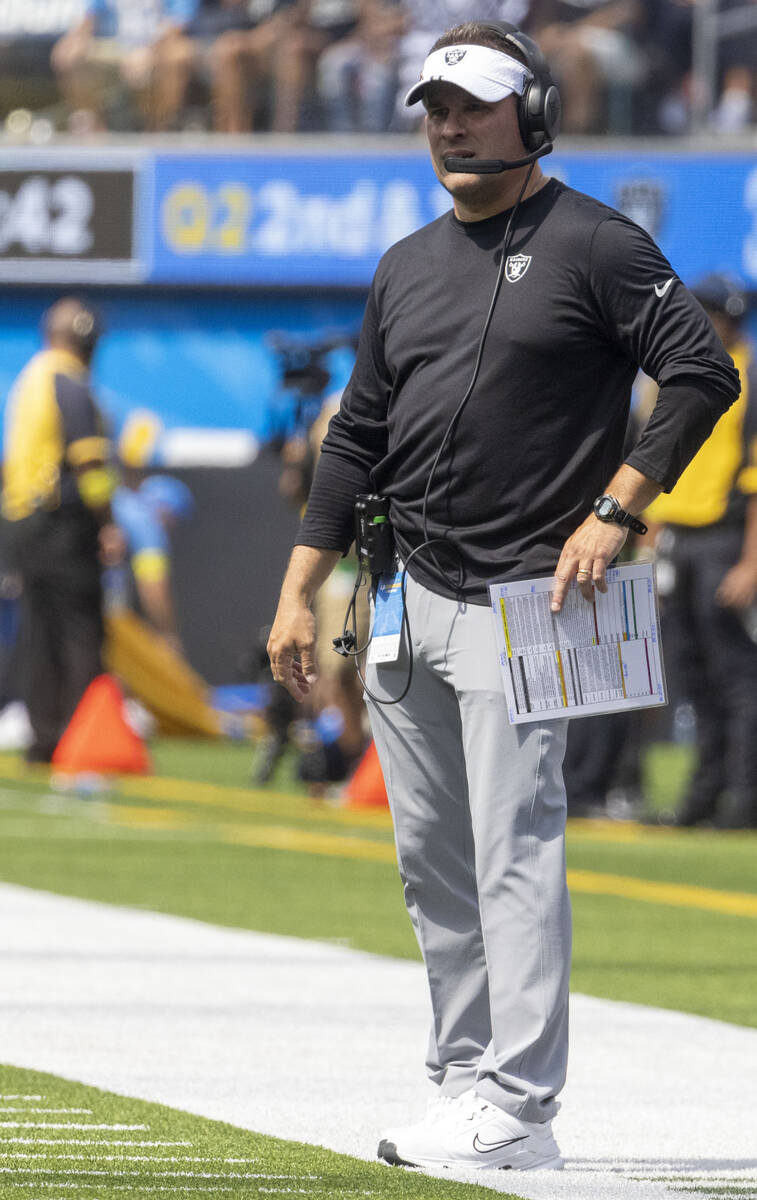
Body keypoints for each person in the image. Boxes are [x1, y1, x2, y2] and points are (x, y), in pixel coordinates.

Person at [267, 20, 739, 1173]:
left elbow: (701, 370)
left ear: (531, 112)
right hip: (399, 598)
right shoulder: (407, 264)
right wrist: (297, 590)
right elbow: (355, 439)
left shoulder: (595, 243)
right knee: (430, 857)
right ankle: (463, 1078)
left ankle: (520, 1104)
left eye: (471, 104)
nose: (447, 123)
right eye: (433, 106)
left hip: (528, 599)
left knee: (513, 851)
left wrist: (617, 507)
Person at [643, 272, 757, 829]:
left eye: (728, 316)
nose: (721, 324)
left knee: (735, 674)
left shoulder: (751, 375)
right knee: (690, 674)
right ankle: (702, 796)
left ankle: (743, 798)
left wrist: (751, 562)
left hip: (724, 539)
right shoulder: (677, 370)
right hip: (677, 539)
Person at [1, 298, 124, 763]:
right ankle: (84, 739)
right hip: (61, 525)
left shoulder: (30, 379)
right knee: (81, 633)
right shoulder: (69, 381)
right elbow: (89, 463)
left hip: (23, 523)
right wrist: (108, 524)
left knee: (39, 633)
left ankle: (44, 738)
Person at [110, 473, 195, 655]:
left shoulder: (119, 501)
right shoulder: (146, 522)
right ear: (167, 512)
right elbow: (154, 587)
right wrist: (168, 635)